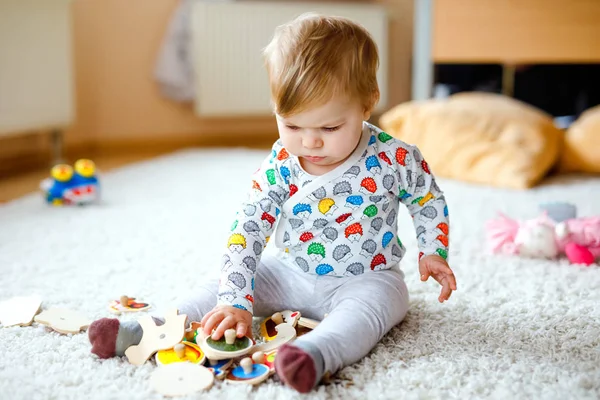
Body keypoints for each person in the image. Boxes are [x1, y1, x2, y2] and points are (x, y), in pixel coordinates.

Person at [88, 13, 457, 393]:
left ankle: (315, 354)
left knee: (380, 307)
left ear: (368, 104)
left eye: (329, 128)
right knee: (220, 286)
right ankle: (151, 328)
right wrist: (235, 299)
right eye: (293, 125)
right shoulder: (281, 163)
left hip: (366, 276)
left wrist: (432, 249)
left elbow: (426, 196)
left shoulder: (394, 158)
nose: (309, 142)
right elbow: (247, 228)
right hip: (288, 270)